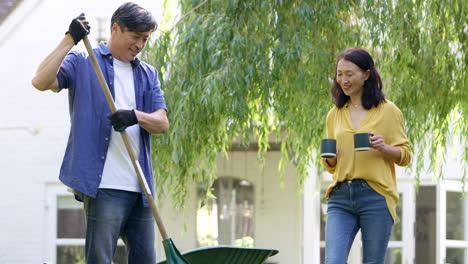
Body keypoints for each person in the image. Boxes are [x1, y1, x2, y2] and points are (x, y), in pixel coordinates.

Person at [31, 3, 168, 263]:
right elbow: (40, 81)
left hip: (141, 188)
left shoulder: (148, 74)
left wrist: (135, 116)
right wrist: (70, 38)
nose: (140, 45)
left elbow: (162, 123)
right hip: (104, 187)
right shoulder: (83, 62)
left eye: (145, 39)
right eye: (135, 37)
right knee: (100, 259)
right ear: (116, 28)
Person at [322, 47, 411, 263]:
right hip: (341, 195)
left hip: (376, 195)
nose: (344, 79)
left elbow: (405, 155)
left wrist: (383, 147)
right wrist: (330, 158)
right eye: (339, 73)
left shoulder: (388, 111)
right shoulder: (335, 114)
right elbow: (331, 165)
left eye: (350, 74)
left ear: (367, 74)